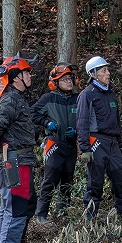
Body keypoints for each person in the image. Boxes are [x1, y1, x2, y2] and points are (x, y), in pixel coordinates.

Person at [0, 54, 39, 243]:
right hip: (14, 160)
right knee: (16, 208)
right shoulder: (10, 99)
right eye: (26, 72)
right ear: (16, 77)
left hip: (17, 159)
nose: (30, 76)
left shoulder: (16, 98)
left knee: (10, 207)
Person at [76, 56, 122, 220]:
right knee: (96, 182)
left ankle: (121, 212)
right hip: (96, 141)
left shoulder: (111, 94)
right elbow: (82, 121)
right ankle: (90, 216)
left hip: (113, 143)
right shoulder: (87, 95)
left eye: (108, 70)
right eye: (104, 71)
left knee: (120, 179)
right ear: (93, 74)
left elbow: (117, 121)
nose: (108, 73)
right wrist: (85, 148)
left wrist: (119, 144)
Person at [31, 63, 79, 222]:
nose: (69, 82)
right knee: (50, 179)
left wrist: (77, 131)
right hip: (54, 143)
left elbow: (85, 119)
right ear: (56, 82)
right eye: (64, 79)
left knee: (68, 180)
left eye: (70, 78)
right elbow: (32, 114)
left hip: (71, 145)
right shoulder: (48, 99)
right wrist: (46, 123)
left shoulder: (77, 99)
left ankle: (62, 212)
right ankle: (41, 214)